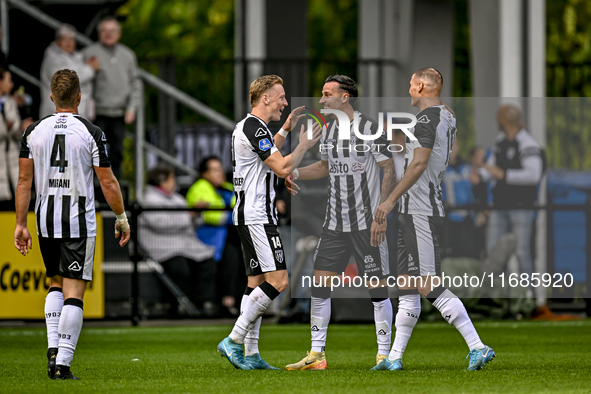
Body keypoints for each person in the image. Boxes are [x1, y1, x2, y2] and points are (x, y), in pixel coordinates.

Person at [371, 68, 495, 371]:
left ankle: (477, 346)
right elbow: (443, 115)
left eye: (412, 85)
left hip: (421, 211)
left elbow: (418, 164)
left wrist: (389, 200)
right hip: (414, 211)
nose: (409, 90)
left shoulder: (427, 119)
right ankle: (395, 358)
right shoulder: (446, 114)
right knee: (407, 286)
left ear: (422, 85)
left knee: (426, 284)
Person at [14, 69, 130, 379]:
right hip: (78, 221)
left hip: (46, 219)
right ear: (80, 96)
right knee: (74, 292)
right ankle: (62, 364)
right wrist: (121, 217)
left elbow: (24, 180)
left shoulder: (32, 131)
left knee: (54, 282)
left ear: (51, 97)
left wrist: (20, 224)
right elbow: (107, 180)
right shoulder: (91, 131)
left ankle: (53, 349)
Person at [284, 75, 396, 370]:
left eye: (327, 94)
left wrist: (381, 214)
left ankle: (385, 354)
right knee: (319, 286)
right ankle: (316, 355)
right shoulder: (328, 130)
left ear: (345, 97)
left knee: (377, 288)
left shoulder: (370, 128)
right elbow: (323, 167)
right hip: (335, 224)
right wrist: (293, 173)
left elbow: (389, 170)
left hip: (366, 222)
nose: (322, 100)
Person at [217, 74, 321, 370]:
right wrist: (304, 144)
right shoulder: (253, 127)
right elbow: (281, 164)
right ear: (266, 98)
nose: (285, 103)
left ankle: (250, 355)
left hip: (249, 214)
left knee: (256, 284)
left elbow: (267, 156)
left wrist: (285, 130)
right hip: (258, 216)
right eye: (281, 97)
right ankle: (234, 340)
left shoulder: (251, 127)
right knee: (280, 281)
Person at [475, 105, 544, 299]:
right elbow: (493, 168)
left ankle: (528, 297)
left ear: (505, 122)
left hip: (522, 207)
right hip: (499, 206)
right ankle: (496, 296)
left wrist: (505, 175)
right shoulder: (501, 143)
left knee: (522, 251)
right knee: (494, 252)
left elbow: (533, 175)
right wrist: (480, 174)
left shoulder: (528, 144)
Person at [139, 164, 216, 316]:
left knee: (207, 263)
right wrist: (190, 215)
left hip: (185, 244)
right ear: (161, 180)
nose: (175, 181)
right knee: (181, 268)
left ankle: (201, 304)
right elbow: (160, 224)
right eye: (172, 178)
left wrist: (195, 216)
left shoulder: (177, 198)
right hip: (161, 245)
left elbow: (191, 224)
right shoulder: (148, 199)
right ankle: (175, 307)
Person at [83, 16, 141, 178]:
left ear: (119, 34)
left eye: (112, 31)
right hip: (96, 113)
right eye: (105, 31)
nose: (109, 34)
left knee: (117, 152)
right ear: (99, 33)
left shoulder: (128, 55)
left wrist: (131, 108)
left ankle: (115, 187)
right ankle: (94, 187)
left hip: (120, 113)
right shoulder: (88, 53)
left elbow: (135, 84)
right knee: (94, 152)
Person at [186, 156, 243, 315]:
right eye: (215, 169)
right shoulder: (199, 188)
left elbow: (243, 207)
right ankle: (225, 302)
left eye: (220, 168)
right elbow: (213, 217)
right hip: (206, 238)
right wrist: (236, 216)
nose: (221, 173)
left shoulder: (227, 187)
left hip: (229, 235)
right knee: (230, 255)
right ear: (205, 174)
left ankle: (237, 301)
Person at [39, 24, 100, 119]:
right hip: (57, 115)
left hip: (76, 114)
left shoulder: (76, 56)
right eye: (65, 39)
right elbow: (67, 80)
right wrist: (90, 68)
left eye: (71, 39)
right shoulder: (52, 58)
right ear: (57, 41)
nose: (69, 43)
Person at [0, 67, 21, 208]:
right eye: (8, 80)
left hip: (11, 152)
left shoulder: (10, 102)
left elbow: (17, 130)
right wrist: (5, 128)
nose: (11, 84)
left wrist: (20, 128)